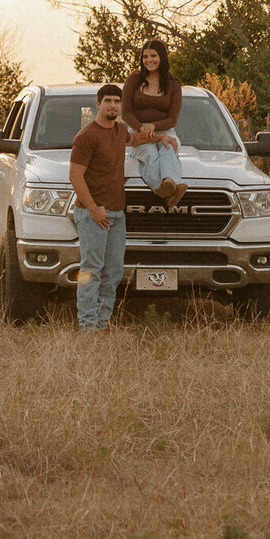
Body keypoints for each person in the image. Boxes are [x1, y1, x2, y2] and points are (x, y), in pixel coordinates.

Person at [69, 83, 132, 333]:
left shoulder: (120, 130)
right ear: (98, 104)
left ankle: (102, 323)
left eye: (117, 101)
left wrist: (161, 136)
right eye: (108, 101)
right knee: (89, 271)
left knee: (114, 272)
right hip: (92, 214)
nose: (113, 105)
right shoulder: (86, 137)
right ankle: (87, 326)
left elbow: (134, 139)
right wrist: (94, 209)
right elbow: (75, 176)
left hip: (117, 215)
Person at [121, 39, 188, 211]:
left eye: (153, 56)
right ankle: (168, 188)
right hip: (137, 130)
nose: (149, 60)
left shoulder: (173, 85)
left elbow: (173, 118)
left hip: (166, 129)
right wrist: (141, 128)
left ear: (162, 57)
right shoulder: (133, 80)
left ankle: (167, 183)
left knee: (169, 148)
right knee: (150, 154)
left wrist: (153, 125)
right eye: (145, 56)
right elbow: (126, 112)